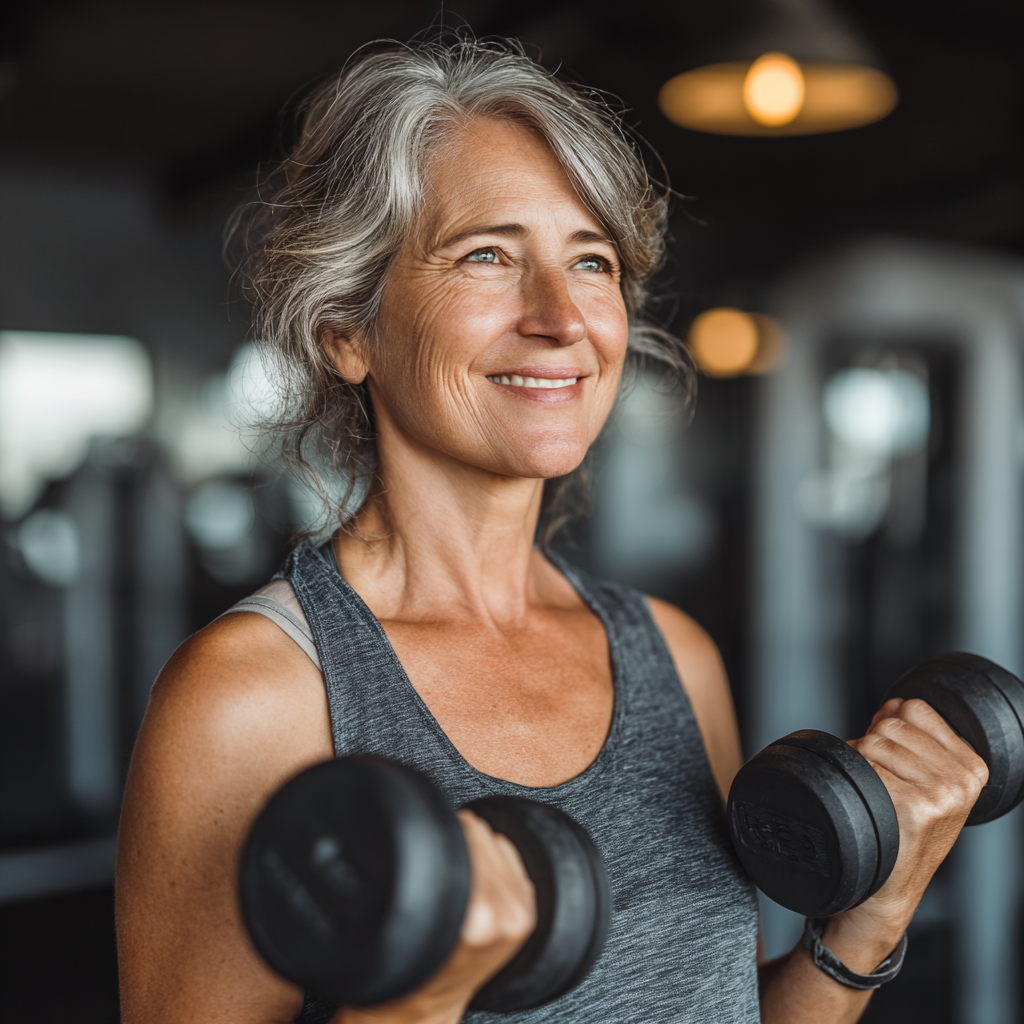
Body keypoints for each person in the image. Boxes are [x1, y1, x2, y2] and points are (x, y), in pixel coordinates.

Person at [115, 37, 987, 1024]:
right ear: (346, 330)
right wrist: (410, 1010)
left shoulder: (672, 656)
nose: (561, 316)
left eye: (591, 260)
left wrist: (868, 917)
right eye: (487, 254)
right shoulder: (249, 699)